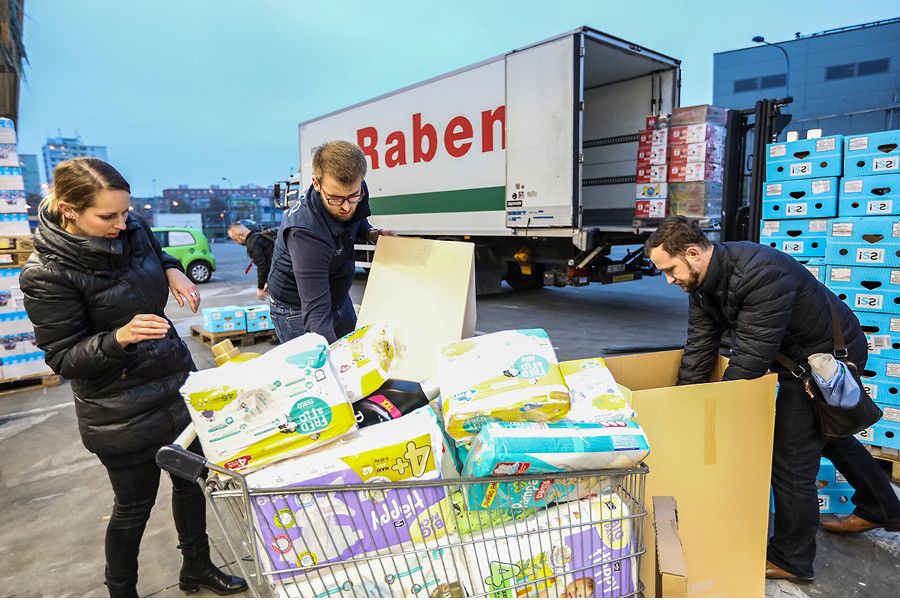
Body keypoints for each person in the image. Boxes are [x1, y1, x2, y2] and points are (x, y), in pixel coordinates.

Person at [19, 158, 247, 598]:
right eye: (108, 216)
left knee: (192, 482)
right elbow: (64, 358)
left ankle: (197, 567)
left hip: (175, 383)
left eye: (125, 212)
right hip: (119, 409)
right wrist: (119, 338)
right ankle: (122, 591)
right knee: (133, 508)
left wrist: (172, 269)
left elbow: (153, 252)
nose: (121, 224)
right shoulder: (47, 275)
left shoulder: (132, 227)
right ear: (68, 209)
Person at [645, 216, 900, 583]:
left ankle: (792, 559)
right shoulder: (701, 285)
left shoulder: (759, 272)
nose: (669, 280)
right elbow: (700, 348)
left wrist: (714, 416)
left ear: (693, 253)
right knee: (829, 435)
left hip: (826, 359)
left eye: (670, 270)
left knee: (791, 459)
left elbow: (749, 361)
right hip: (795, 357)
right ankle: (883, 507)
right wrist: (683, 404)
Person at [267, 140, 395, 344]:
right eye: (336, 198)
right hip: (296, 309)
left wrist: (371, 233)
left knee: (354, 355)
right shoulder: (305, 233)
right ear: (316, 184)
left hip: (339, 298)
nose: (346, 207)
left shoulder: (356, 190)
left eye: (353, 197)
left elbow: (355, 219)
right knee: (320, 367)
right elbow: (316, 314)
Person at [227, 221, 275, 300]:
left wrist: (260, 288)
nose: (236, 242)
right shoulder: (259, 234)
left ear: (240, 235)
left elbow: (262, 266)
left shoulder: (252, 244)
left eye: (235, 239)